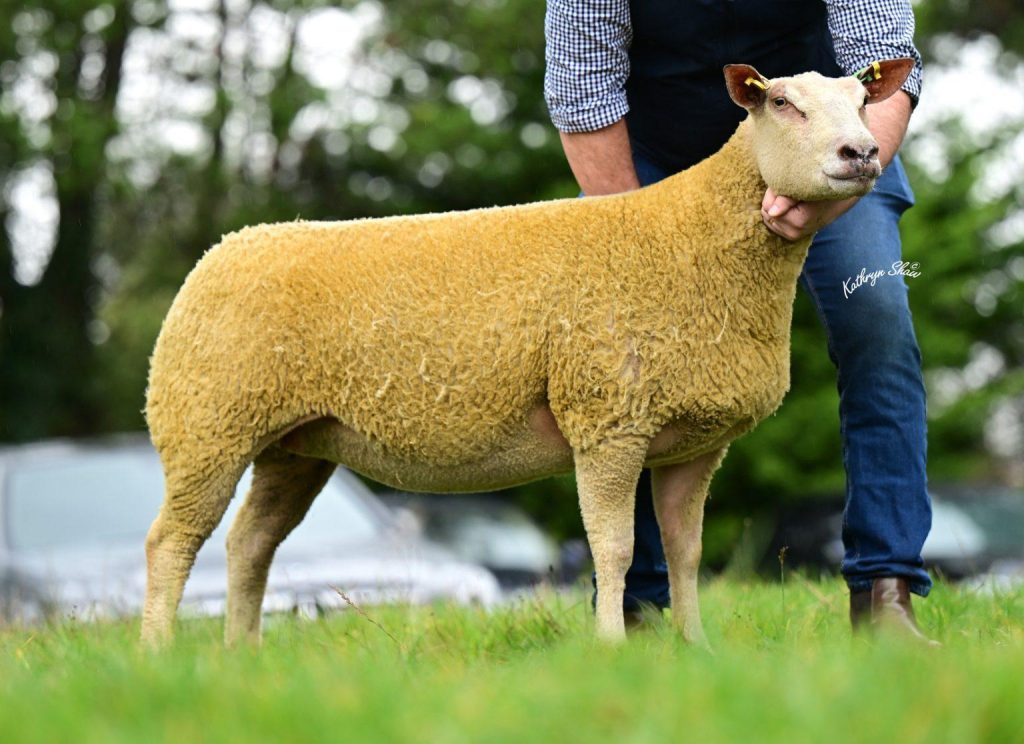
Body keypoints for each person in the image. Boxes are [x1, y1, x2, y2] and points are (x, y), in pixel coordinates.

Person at [544, 0, 936, 642]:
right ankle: (636, 608)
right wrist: (640, 242)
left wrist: (824, 205)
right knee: (624, 358)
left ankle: (884, 593)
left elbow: (887, 65)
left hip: (827, 150)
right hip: (653, 160)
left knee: (876, 318)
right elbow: (582, 91)